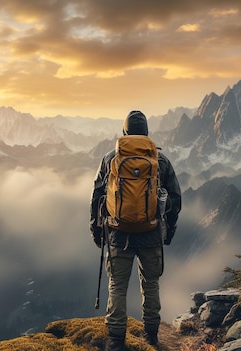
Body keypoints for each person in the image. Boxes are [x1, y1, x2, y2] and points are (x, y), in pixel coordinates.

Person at [90, 110, 181, 351]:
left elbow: (98, 196)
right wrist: (167, 230)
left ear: (125, 131)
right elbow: (175, 199)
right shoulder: (160, 160)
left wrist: (97, 232)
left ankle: (115, 340)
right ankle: (151, 335)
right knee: (150, 284)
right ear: (147, 132)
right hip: (151, 233)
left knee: (117, 286)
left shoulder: (111, 158)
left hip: (119, 233)